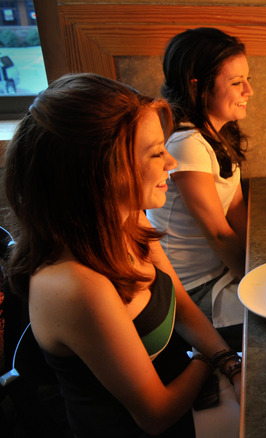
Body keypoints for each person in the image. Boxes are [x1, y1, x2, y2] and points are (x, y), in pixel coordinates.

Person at [2, 73, 240, 438]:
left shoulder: (129, 222)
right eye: (156, 153)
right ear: (100, 171)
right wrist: (208, 361)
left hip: (189, 386)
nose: (171, 164)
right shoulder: (76, 286)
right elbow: (156, 414)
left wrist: (229, 362)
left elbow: (180, 303)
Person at [147, 28, 251, 347]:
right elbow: (218, 234)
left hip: (220, 273)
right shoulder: (186, 144)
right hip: (193, 290)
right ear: (198, 85)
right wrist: (258, 283)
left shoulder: (218, 133)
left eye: (247, 79)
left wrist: (263, 260)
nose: (249, 90)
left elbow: (235, 208)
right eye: (236, 83)